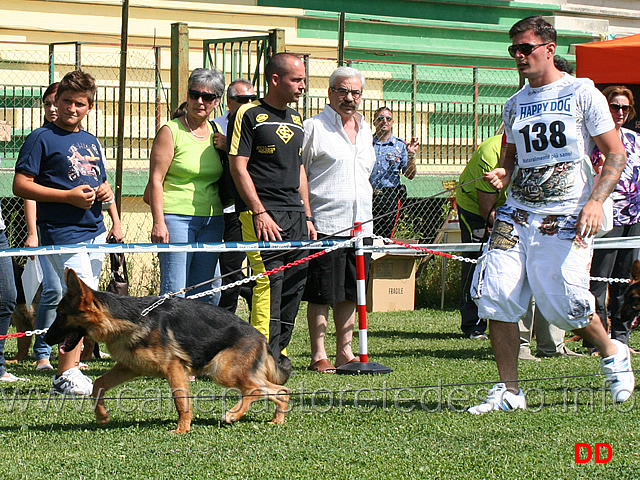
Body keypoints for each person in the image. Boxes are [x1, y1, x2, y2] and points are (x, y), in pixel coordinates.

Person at [469, 16, 634, 413]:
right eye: (514, 50)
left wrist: (595, 201)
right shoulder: (514, 104)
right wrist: (503, 172)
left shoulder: (583, 92)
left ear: (548, 47)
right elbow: (511, 156)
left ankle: (613, 351)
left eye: (525, 48)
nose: (519, 56)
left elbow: (615, 153)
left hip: (565, 215)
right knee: (496, 297)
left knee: (566, 305)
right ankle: (509, 390)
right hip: (517, 214)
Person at [14, 70, 121, 395]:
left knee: (85, 301)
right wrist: (68, 197)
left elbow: (98, 178)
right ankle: (65, 372)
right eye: (66, 101)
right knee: (79, 301)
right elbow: (21, 185)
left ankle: (70, 370)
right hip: (61, 231)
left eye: (80, 103)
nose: (72, 108)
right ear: (55, 102)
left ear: (89, 106)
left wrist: (104, 191)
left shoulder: (90, 140)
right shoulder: (41, 138)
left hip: (94, 230)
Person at [228, 52, 316, 368]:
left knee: (295, 281)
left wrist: (307, 214)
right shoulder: (249, 114)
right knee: (269, 281)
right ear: (276, 79)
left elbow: (300, 169)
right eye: (297, 79)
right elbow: (238, 166)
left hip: (295, 213)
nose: (303, 85)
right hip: (262, 214)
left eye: (304, 79)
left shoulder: (296, 119)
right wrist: (258, 211)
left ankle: (280, 351)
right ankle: (259, 355)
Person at [302, 66, 375, 372]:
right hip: (325, 223)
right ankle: (319, 355)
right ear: (330, 93)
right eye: (343, 91)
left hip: (362, 224)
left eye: (355, 92)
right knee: (321, 292)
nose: (349, 98)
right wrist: (306, 215)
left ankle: (345, 352)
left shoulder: (367, 129)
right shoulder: (314, 127)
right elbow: (300, 172)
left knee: (350, 290)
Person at [146, 68, 225, 304]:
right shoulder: (171, 131)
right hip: (176, 219)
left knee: (209, 293)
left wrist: (227, 147)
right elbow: (156, 180)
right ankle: (169, 341)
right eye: (194, 95)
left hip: (212, 220)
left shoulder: (217, 133)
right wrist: (159, 222)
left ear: (217, 102)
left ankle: (199, 341)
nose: (200, 101)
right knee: (174, 293)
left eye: (208, 97)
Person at [589, 85, 640, 348]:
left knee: (624, 280)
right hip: (606, 217)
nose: (620, 112)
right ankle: (597, 339)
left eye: (625, 107)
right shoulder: (593, 138)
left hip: (633, 218)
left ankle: (621, 337)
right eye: (615, 106)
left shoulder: (634, 139)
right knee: (599, 280)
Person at [213, 78, 257, 314]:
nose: (249, 103)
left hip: (244, 207)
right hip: (215, 205)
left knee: (232, 264)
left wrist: (228, 144)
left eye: (253, 98)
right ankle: (247, 290)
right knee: (222, 265)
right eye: (242, 99)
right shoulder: (215, 125)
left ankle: (227, 313)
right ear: (229, 102)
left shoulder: (259, 123)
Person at [456, 134, 506, 340]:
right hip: (475, 209)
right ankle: (473, 325)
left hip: (508, 208)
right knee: (476, 262)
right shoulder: (489, 154)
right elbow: (487, 212)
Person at [370, 107, 419, 238]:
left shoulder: (400, 146)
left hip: (389, 197)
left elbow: (410, 175)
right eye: (380, 118)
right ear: (374, 122)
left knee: (386, 236)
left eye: (388, 118)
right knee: (367, 234)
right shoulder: (366, 143)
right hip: (368, 194)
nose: (384, 121)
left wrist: (411, 155)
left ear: (392, 122)